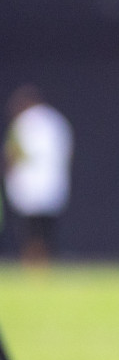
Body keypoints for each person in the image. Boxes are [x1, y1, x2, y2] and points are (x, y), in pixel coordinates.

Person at [4, 86, 73, 268]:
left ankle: (33, 265)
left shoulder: (22, 123)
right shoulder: (56, 121)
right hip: (53, 184)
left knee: (30, 230)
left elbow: (12, 153)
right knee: (47, 230)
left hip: (27, 185)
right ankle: (45, 265)